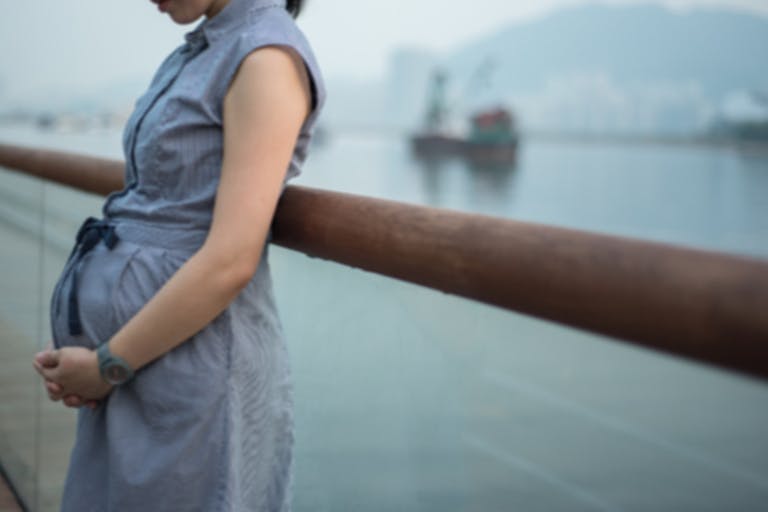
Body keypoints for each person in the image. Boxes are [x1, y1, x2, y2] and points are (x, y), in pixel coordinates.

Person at [31, 0, 325, 510]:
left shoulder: (266, 58)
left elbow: (232, 259)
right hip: (145, 364)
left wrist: (105, 366)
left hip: (191, 371)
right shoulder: (203, 48)